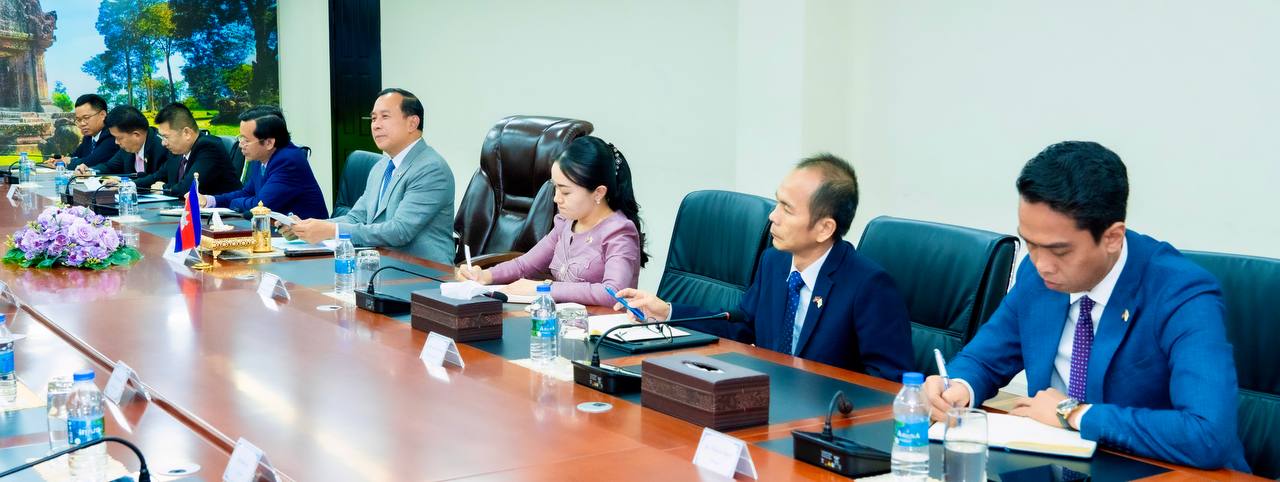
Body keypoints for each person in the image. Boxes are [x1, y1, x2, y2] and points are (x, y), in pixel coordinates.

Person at [924, 141, 1249, 471]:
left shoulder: (1182, 293)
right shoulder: (1037, 276)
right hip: (1057, 466)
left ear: (1112, 238)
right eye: (1031, 244)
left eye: (1060, 251)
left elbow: (1207, 435)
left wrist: (1073, 413)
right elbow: (984, 359)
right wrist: (957, 387)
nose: (1042, 264)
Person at [615, 154, 913, 381]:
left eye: (787, 209)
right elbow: (742, 326)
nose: (773, 216)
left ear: (825, 228)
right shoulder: (774, 262)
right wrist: (667, 312)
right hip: (770, 402)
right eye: (777, 203)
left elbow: (889, 384)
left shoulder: (868, 286)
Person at [455, 136, 647, 306]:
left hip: (601, 328)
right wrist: (485, 275)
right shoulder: (566, 223)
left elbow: (614, 293)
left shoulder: (619, 231)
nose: (556, 198)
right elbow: (524, 265)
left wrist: (544, 288)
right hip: (563, 321)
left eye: (565, 192)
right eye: (555, 188)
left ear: (598, 193)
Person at [283, 88, 455, 263]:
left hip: (424, 271)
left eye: (385, 117)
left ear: (412, 123)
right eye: (373, 118)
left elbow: (399, 231)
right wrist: (308, 227)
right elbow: (356, 217)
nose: (376, 125)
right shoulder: (381, 167)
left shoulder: (430, 168)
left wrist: (331, 231)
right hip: (383, 265)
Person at [190, 108, 328, 220]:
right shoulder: (262, 157)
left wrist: (233, 203)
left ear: (269, 143)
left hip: (307, 240)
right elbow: (246, 192)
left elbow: (259, 207)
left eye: (246, 140)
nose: (240, 145)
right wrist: (210, 200)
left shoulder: (288, 161)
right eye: (240, 138)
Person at [135, 103, 242, 196]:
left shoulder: (209, 147)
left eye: (166, 137)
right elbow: (156, 176)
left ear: (186, 133)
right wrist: (129, 185)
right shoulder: (178, 151)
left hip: (224, 211)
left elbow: (188, 187)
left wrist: (163, 188)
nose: (163, 143)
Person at [88, 106, 168, 177]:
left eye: (119, 138)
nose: (116, 142)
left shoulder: (162, 147)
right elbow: (109, 167)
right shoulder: (127, 149)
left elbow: (157, 179)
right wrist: (90, 171)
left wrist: (126, 183)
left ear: (136, 135)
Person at [58, 94, 119, 169]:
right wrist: (60, 160)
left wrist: (65, 163)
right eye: (78, 120)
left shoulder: (112, 135)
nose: (82, 124)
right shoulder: (88, 137)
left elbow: (90, 162)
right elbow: (74, 156)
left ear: (102, 115)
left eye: (86, 118)